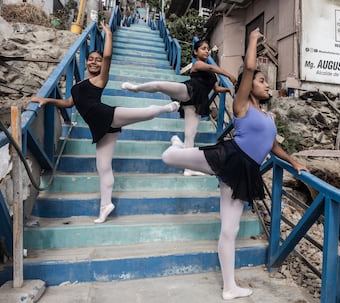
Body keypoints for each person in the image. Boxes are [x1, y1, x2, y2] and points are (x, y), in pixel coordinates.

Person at [161, 28, 308, 300]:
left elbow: (272, 145)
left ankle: (229, 287)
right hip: (228, 156)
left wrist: (293, 160)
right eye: (261, 81)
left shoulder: (269, 118)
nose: (266, 85)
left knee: (230, 230)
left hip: (245, 171)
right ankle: (178, 145)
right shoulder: (242, 105)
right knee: (168, 157)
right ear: (248, 85)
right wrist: (253, 40)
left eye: (267, 82)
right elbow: (249, 67)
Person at [31, 22, 180, 224]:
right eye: (91, 59)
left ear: (102, 65)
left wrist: (108, 33)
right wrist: (46, 100)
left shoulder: (100, 80)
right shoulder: (78, 85)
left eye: (97, 60)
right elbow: (67, 103)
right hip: (100, 129)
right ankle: (105, 206)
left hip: (107, 115)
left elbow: (108, 56)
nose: (93, 62)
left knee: (143, 113)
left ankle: (167, 108)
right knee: (103, 166)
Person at [121, 39, 237, 176]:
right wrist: (229, 74)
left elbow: (215, 88)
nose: (207, 51)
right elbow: (211, 67)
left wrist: (228, 90)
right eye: (203, 48)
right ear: (195, 52)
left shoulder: (212, 75)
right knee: (160, 85)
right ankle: (136, 88)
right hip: (189, 90)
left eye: (208, 49)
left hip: (198, 102)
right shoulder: (198, 64)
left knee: (190, 136)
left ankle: (188, 169)